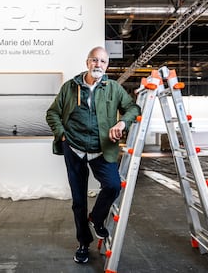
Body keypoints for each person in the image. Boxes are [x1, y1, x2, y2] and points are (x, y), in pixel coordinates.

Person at [46, 46, 141, 264]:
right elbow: (52, 113)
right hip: (75, 149)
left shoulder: (113, 88)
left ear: (107, 65)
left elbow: (133, 109)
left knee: (113, 186)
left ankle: (97, 219)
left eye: (103, 61)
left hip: (102, 149)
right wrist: (62, 135)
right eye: (95, 60)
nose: (98, 65)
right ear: (88, 62)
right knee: (79, 201)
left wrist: (121, 122)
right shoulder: (70, 87)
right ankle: (83, 243)